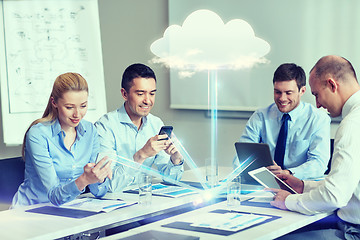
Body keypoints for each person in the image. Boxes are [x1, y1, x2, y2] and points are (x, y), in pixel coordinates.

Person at [271, 55, 360, 239]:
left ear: (332, 85)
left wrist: (289, 201)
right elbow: (346, 184)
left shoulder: (351, 124)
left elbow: (335, 195)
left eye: (316, 95)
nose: (318, 104)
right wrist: (304, 186)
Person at [11, 73, 112, 208]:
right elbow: (54, 196)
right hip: (32, 210)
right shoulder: (38, 134)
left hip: (69, 209)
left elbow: (98, 192)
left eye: (83, 106)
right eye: (69, 107)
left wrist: (99, 177)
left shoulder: (90, 131)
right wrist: (84, 180)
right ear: (54, 102)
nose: (77, 114)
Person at [95, 63, 184, 192]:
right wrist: (141, 156)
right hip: (115, 203)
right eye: (140, 94)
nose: (148, 101)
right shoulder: (105, 126)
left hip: (144, 199)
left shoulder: (156, 123)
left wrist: (175, 159)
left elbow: (171, 180)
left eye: (152, 94)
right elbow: (108, 186)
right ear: (124, 94)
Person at [233, 63, 331, 180]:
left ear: (302, 91)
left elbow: (319, 164)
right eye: (278, 92)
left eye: (288, 93)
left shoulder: (318, 118)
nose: (282, 98)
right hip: (266, 184)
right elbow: (240, 159)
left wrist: (287, 173)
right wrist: (260, 172)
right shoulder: (260, 116)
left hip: (300, 186)